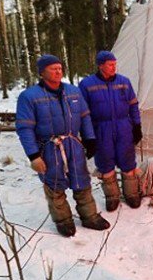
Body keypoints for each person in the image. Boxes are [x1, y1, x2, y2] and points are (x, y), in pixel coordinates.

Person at [15, 55, 110, 237]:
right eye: (53, 68)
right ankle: (63, 220)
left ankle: (89, 216)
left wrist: (90, 139)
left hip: (73, 143)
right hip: (48, 147)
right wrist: (33, 156)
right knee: (54, 183)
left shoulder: (73, 92)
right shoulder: (29, 97)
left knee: (81, 180)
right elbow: (24, 127)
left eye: (60, 68)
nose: (58, 71)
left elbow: (84, 116)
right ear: (42, 72)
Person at [79, 51, 143, 212]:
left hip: (123, 127)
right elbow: (83, 112)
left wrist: (137, 126)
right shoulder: (87, 84)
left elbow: (133, 105)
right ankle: (112, 197)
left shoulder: (124, 82)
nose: (114, 67)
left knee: (128, 161)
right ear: (100, 65)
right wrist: (88, 136)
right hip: (101, 128)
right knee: (105, 164)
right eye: (110, 64)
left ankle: (132, 194)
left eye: (115, 64)